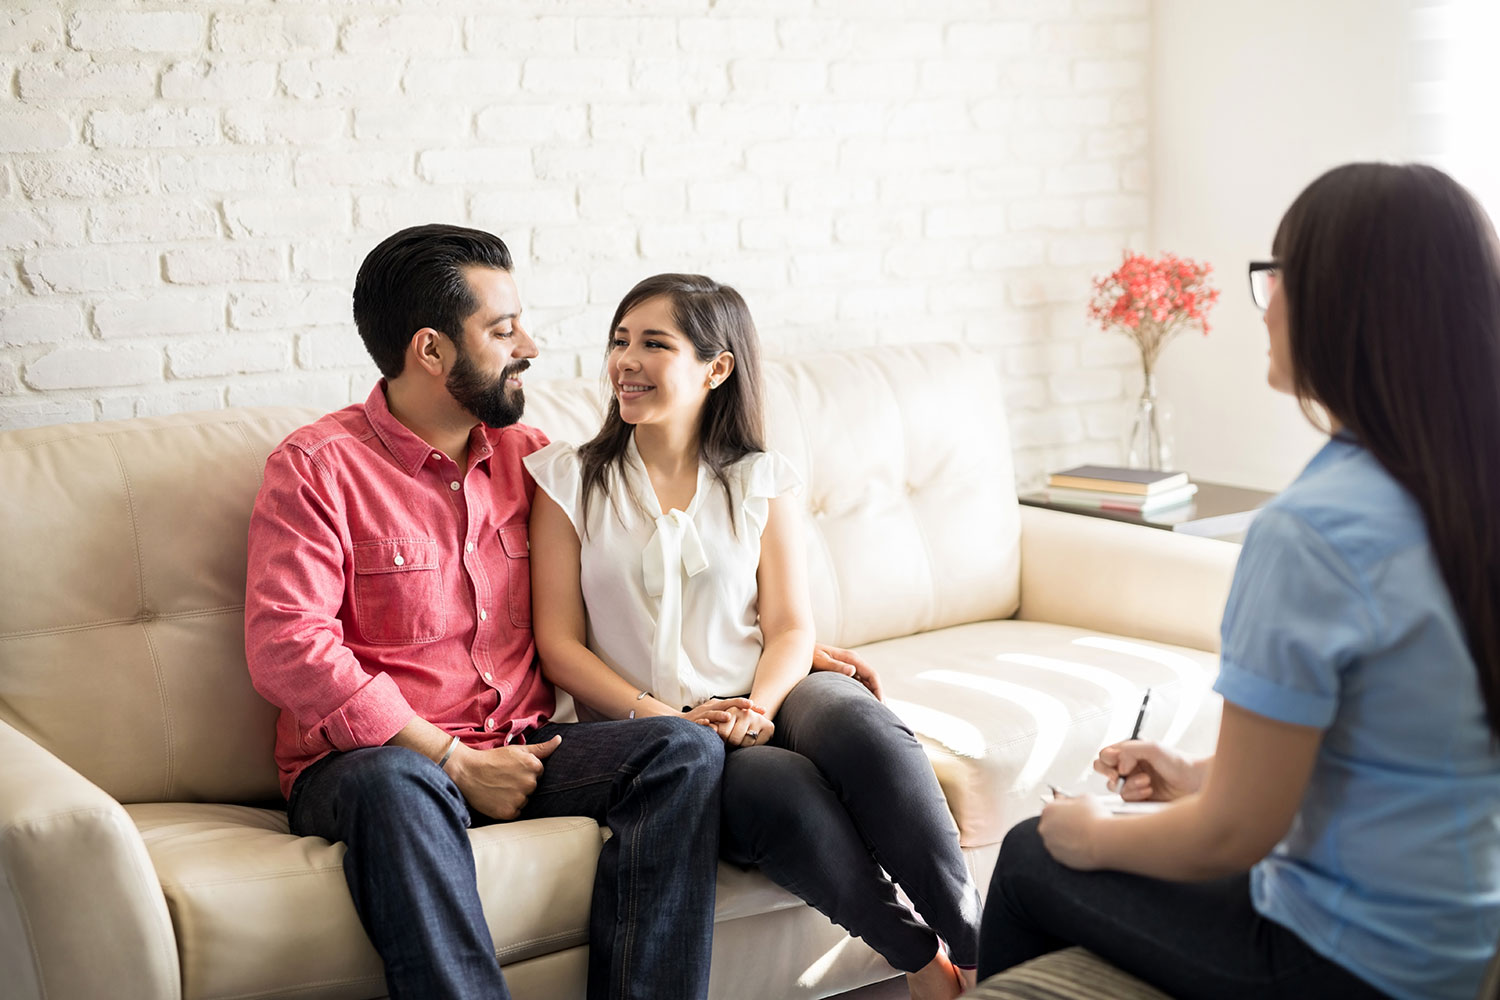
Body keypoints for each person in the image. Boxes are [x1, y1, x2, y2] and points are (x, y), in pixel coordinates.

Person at [978, 163, 1500, 1000]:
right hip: (1460, 935)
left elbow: (1232, 837)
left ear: (1343, 305)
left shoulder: (1314, 529)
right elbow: (1389, 753)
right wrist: (1195, 776)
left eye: (1280, 273)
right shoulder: (1461, 487)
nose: (1269, 301)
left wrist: (1092, 833)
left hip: (1341, 962)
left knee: (1032, 852)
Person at [244, 224, 730, 1000]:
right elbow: (287, 644)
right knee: (397, 785)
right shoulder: (316, 469)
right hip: (381, 763)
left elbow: (648, 557)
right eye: (503, 330)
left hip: (526, 746)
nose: (528, 345)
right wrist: (451, 759)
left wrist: (794, 641)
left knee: (681, 752)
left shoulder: (530, 457)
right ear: (431, 351)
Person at [525, 273, 982, 1000]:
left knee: (860, 727)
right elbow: (560, 646)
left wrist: (758, 708)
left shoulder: (760, 480)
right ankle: (925, 964)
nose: (626, 361)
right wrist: (671, 722)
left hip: (767, 691)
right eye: (619, 341)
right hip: (655, 736)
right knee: (785, 792)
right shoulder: (566, 479)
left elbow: (791, 626)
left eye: (653, 344)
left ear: (716, 367)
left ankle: (988, 953)